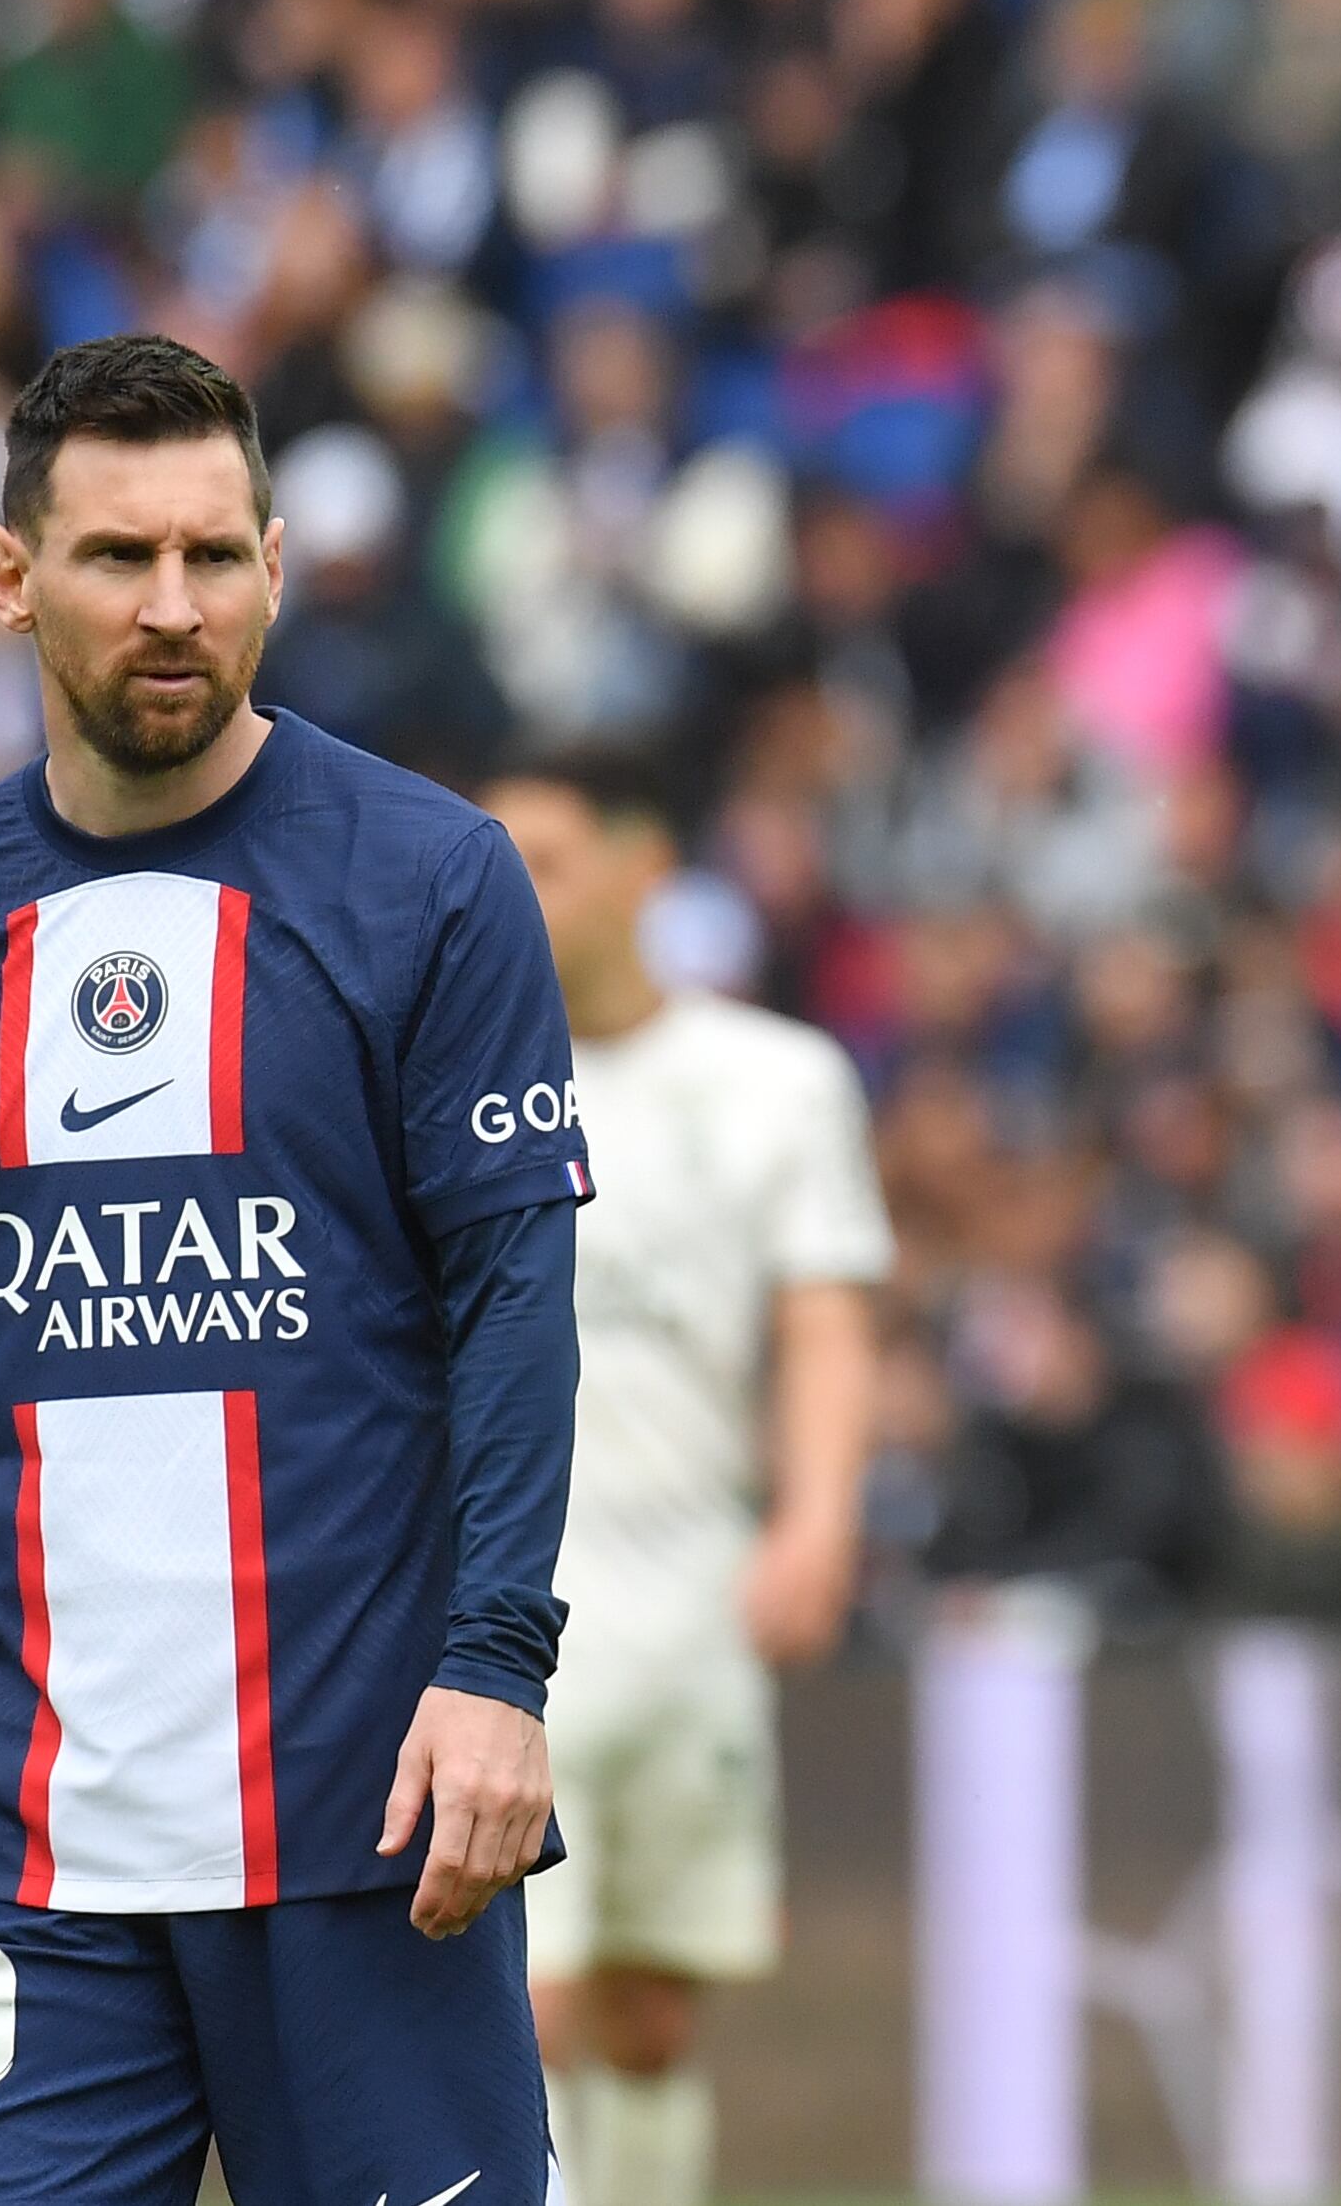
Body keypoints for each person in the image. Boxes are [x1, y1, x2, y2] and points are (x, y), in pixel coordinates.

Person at [0, 334, 590, 2206]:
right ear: (11, 576)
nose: (175, 608)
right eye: (116, 559)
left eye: (216, 557)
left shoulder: (432, 881)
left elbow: (513, 1307)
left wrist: (499, 1668)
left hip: (365, 1819)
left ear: (271, 563)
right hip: (23, 1834)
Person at [481, 751, 884, 2206]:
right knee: (523, 2001)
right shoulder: (447, 1079)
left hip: (692, 1601)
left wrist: (818, 1519)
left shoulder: (776, 1081)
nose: (509, 893)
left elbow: (826, 1316)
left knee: (653, 2011)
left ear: (644, 870)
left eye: (546, 858)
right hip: (505, 1613)